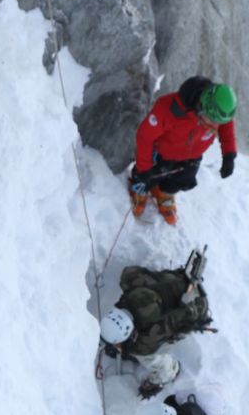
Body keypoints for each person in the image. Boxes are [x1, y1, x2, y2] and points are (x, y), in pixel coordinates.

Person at [128, 76, 238, 225]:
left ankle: (163, 193)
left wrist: (229, 154)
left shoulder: (216, 113)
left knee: (183, 179)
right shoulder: (169, 109)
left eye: (218, 123)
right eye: (212, 122)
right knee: (148, 176)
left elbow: (226, 126)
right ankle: (139, 188)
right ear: (203, 107)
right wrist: (144, 168)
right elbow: (145, 136)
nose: (214, 127)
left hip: (191, 156)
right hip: (161, 154)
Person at [97, 250, 212, 391]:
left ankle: (170, 374)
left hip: (197, 307)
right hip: (182, 283)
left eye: (116, 343)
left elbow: (148, 343)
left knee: (148, 357)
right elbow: (133, 273)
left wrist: (127, 350)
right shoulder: (130, 288)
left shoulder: (144, 343)